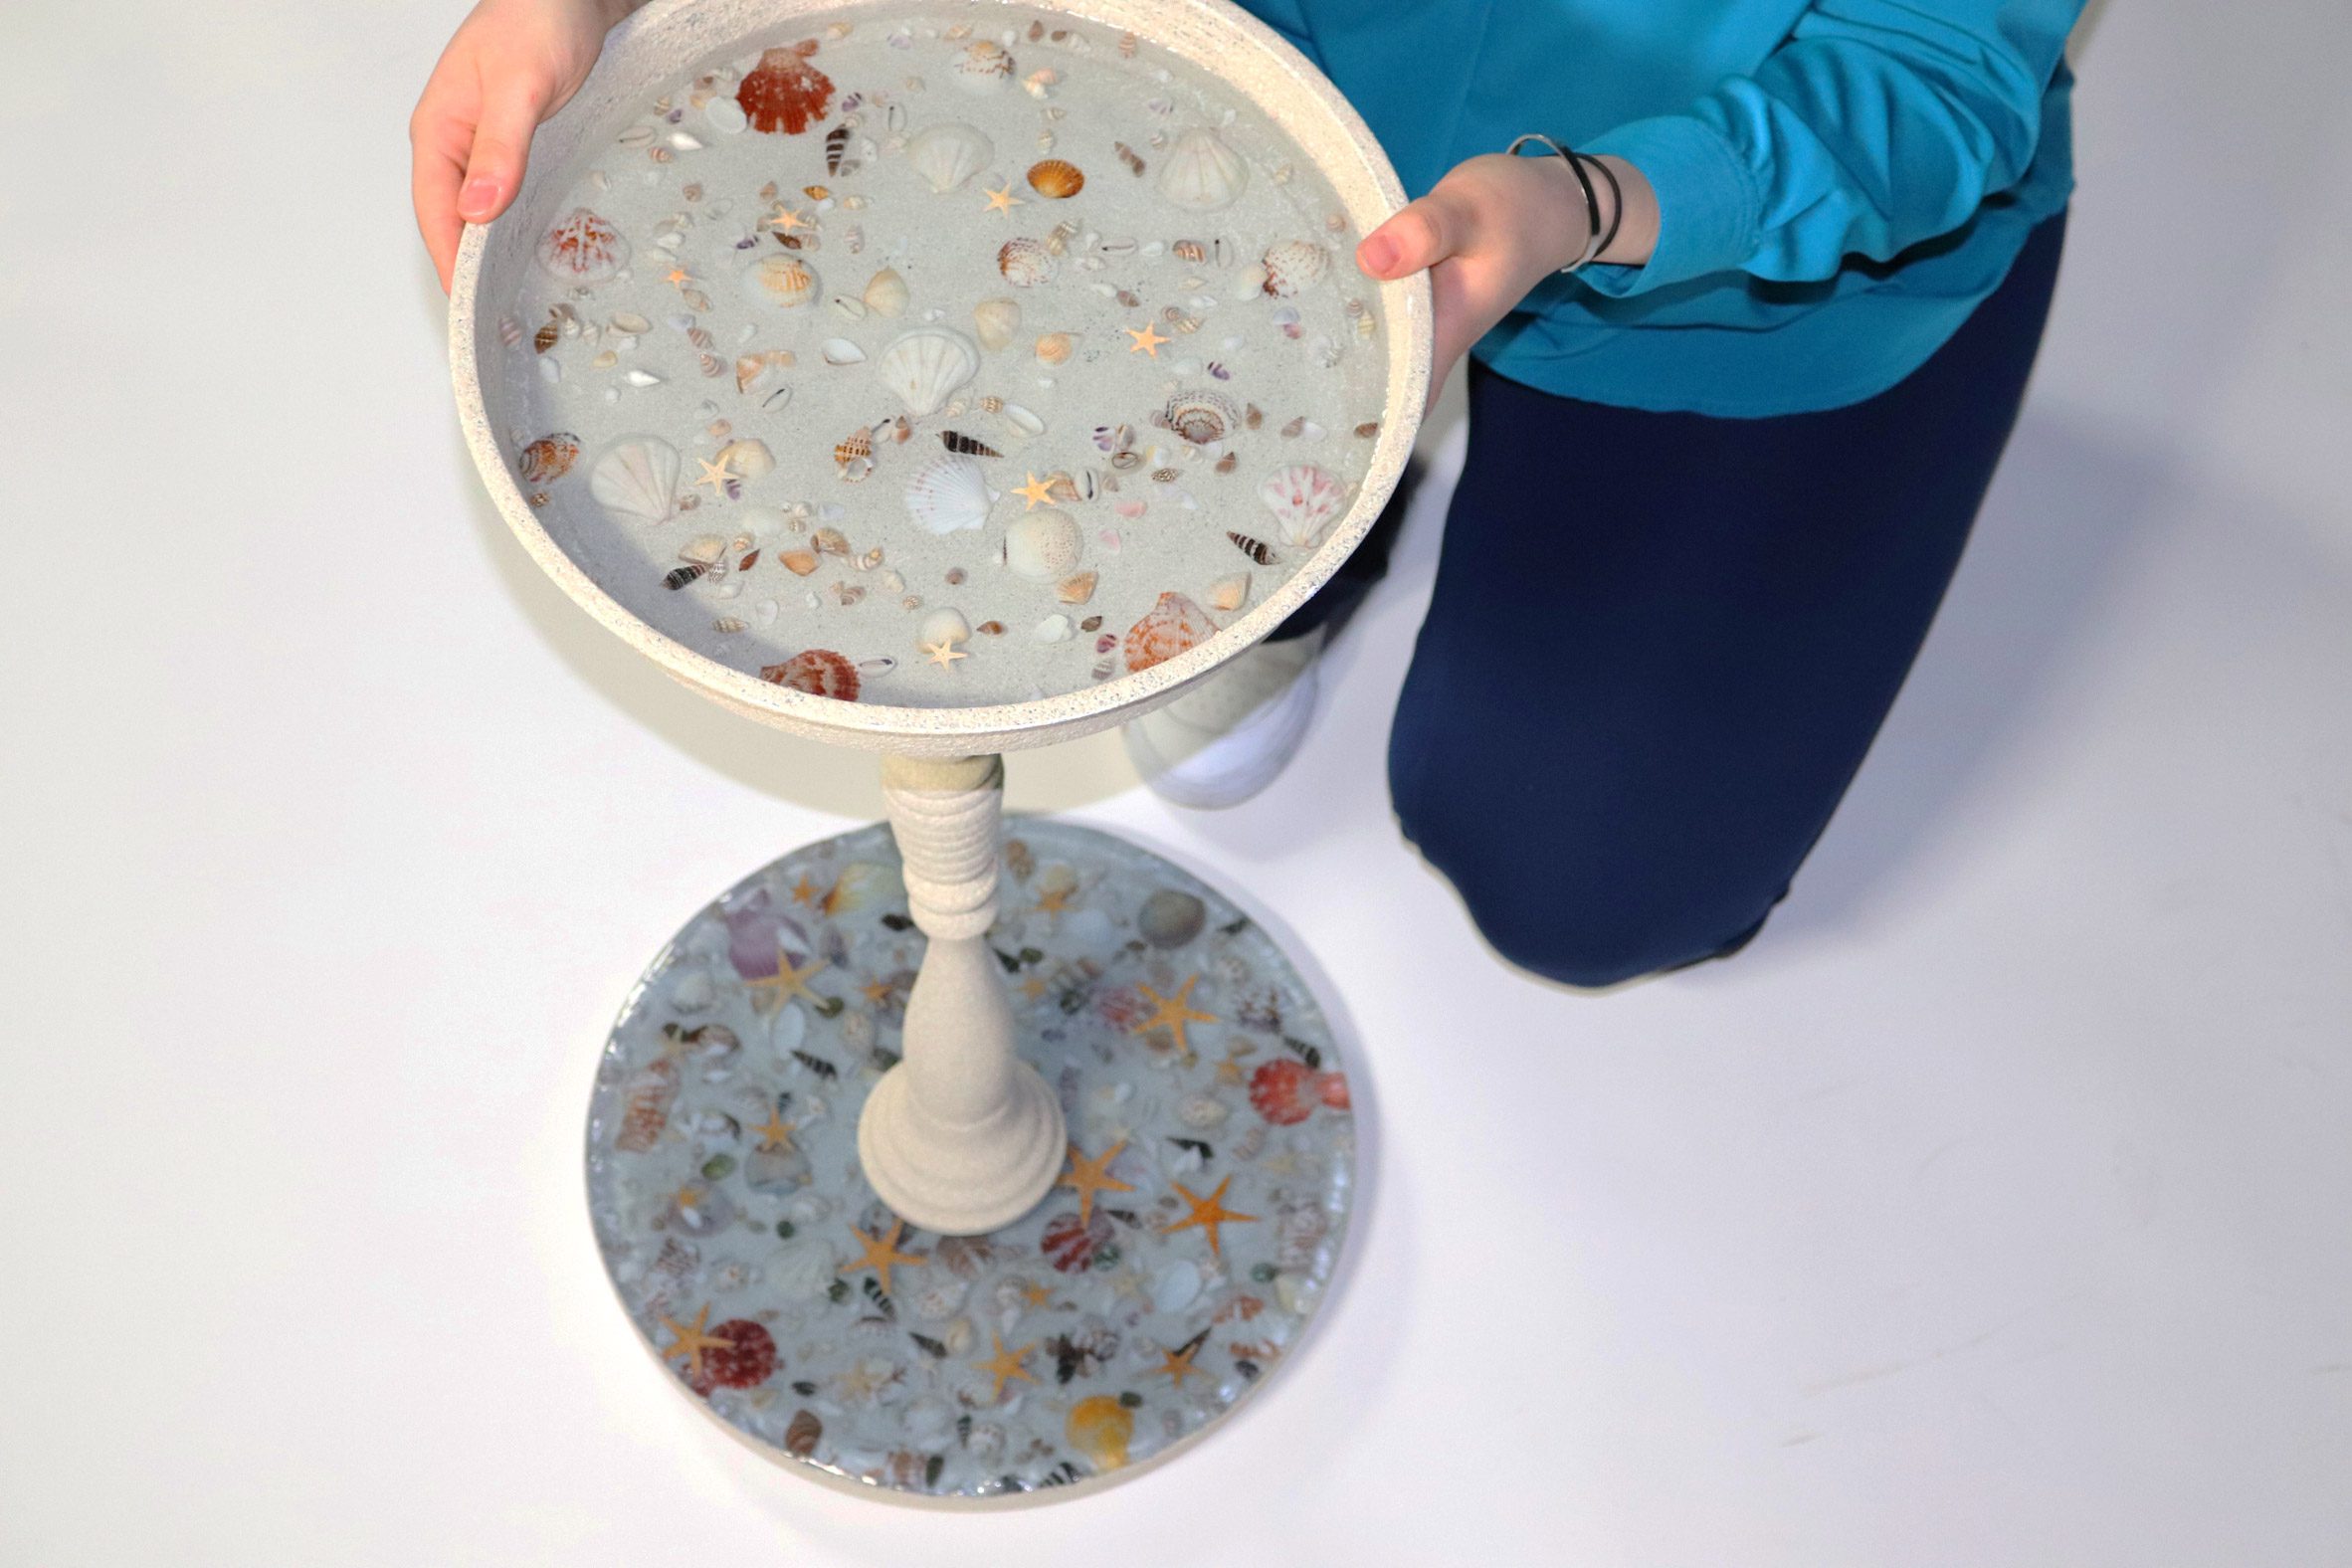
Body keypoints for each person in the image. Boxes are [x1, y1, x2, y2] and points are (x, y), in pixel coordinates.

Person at [414, 0, 2083, 988]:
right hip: (1278, 90)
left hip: (1755, 270)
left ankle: (1401, 463)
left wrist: (1591, 203)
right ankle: (1318, 510)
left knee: (1581, 899)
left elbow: (1940, 67)